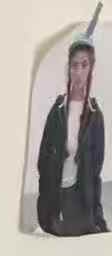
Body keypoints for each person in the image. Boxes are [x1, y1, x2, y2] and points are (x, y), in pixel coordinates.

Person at [37, 17, 109, 235]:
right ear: (69, 68)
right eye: (74, 65)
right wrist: (45, 208)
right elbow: (43, 162)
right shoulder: (58, 111)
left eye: (84, 65)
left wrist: (99, 220)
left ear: (91, 68)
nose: (78, 72)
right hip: (56, 206)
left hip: (81, 206)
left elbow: (95, 174)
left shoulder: (95, 116)